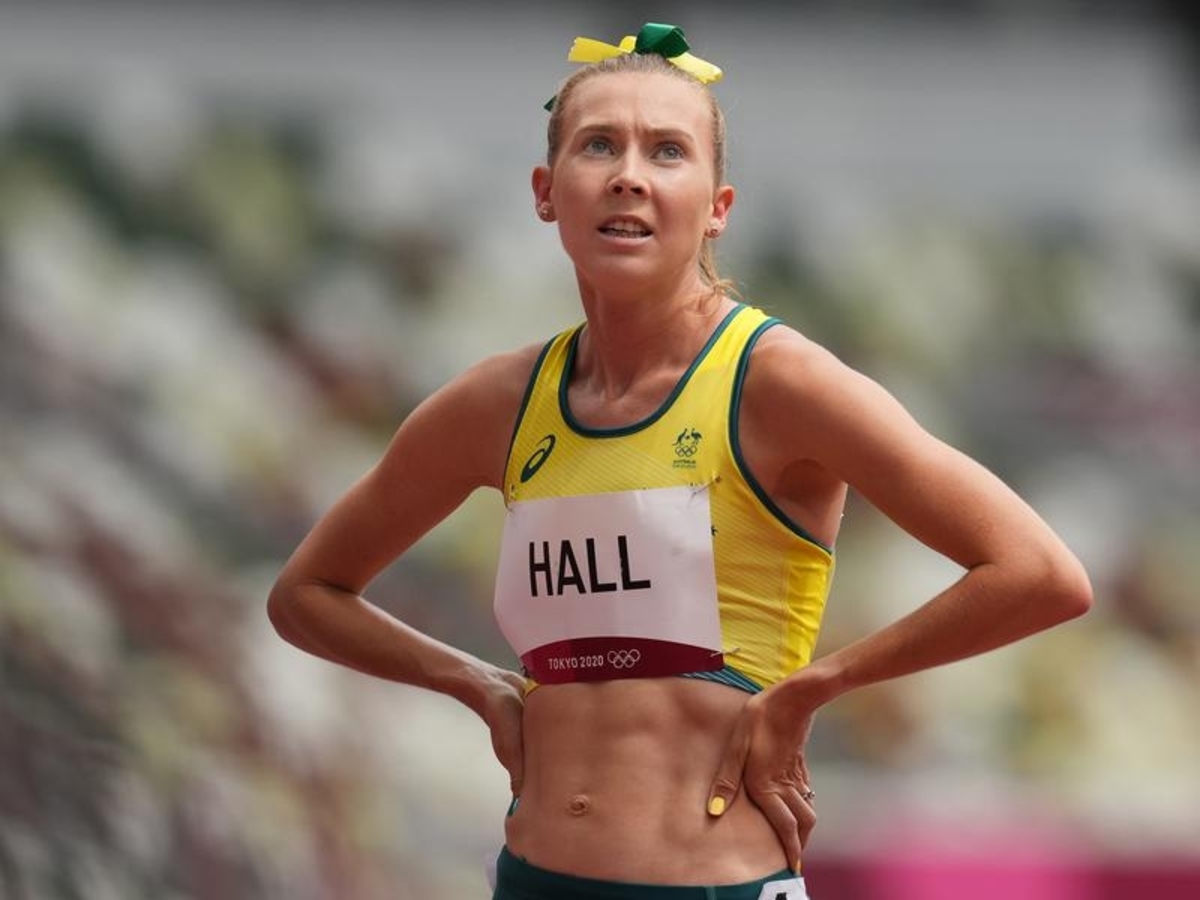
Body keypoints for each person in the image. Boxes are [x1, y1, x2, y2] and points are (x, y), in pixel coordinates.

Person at [267, 23, 1093, 900]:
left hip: (715, 884)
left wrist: (815, 687)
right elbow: (306, 595)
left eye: (667, 151)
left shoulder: (778, 382)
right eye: (599, 145)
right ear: (547, 192)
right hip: (534, 881)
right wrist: (475, 684)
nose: (629, 174)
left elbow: (1040, 573)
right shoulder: (497, 403)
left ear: (717, 206)